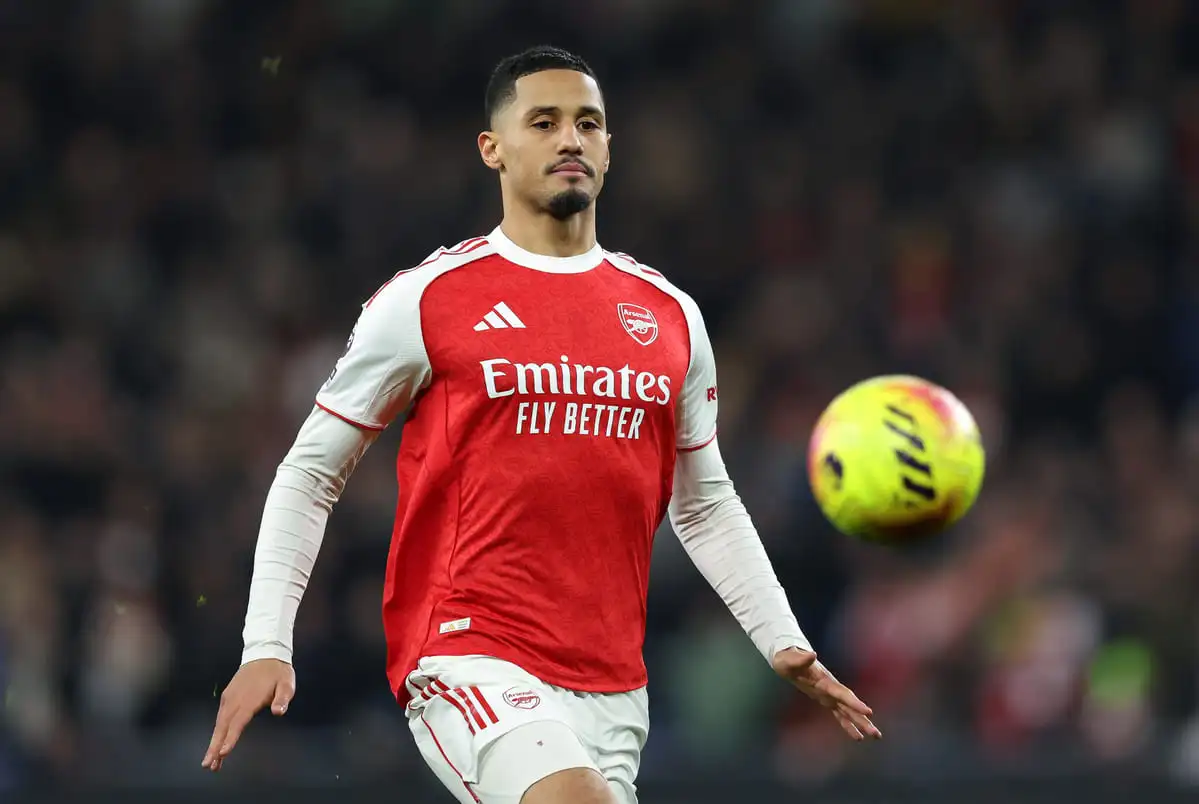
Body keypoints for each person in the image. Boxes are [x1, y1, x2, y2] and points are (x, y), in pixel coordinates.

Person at [201, 45, 880, 804]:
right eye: (544, 121)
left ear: (608, 147)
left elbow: (702, 500)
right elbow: (310, 472)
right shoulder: (428, 299)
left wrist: (781, 640)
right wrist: (265, 641)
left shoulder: (668, 316)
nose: (569, 139)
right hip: (468, 654)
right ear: (493, 148)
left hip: (613, 683)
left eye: (588, 123)